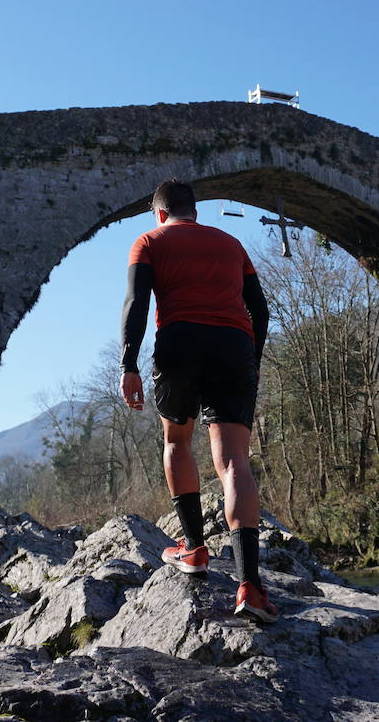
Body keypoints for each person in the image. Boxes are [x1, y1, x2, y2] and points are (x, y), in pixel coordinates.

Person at [119, 178, 278, 623]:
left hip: (180, 342)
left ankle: (194, 550)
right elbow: (259, 310)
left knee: (177, 443)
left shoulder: (149, 240)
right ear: (195, 212)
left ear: (160, 213)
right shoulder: (230, 243)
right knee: (233, 463)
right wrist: (255, 358)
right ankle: (250, 586)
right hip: (233, 347)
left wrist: (128, 365)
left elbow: (136, 301)